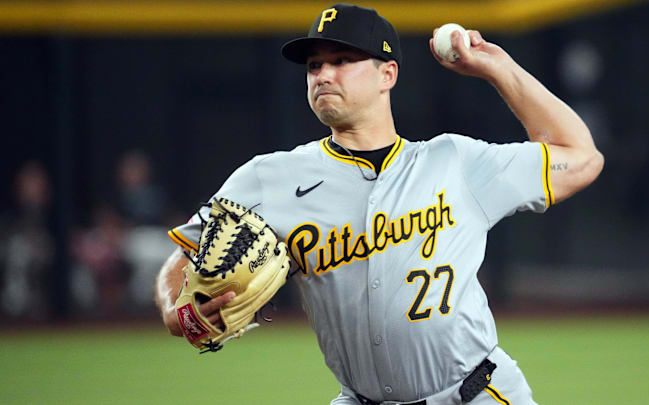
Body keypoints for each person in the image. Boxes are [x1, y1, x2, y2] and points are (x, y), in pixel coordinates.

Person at [155, 4, 603, 404]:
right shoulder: (268, 178)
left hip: (475, 393)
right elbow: (181, 256)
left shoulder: (456, 161)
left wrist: (501, 71)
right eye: (314, 65)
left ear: (387, 74)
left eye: (342, 60)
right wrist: (177, 313)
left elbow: (581, 157)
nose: (323, 74)